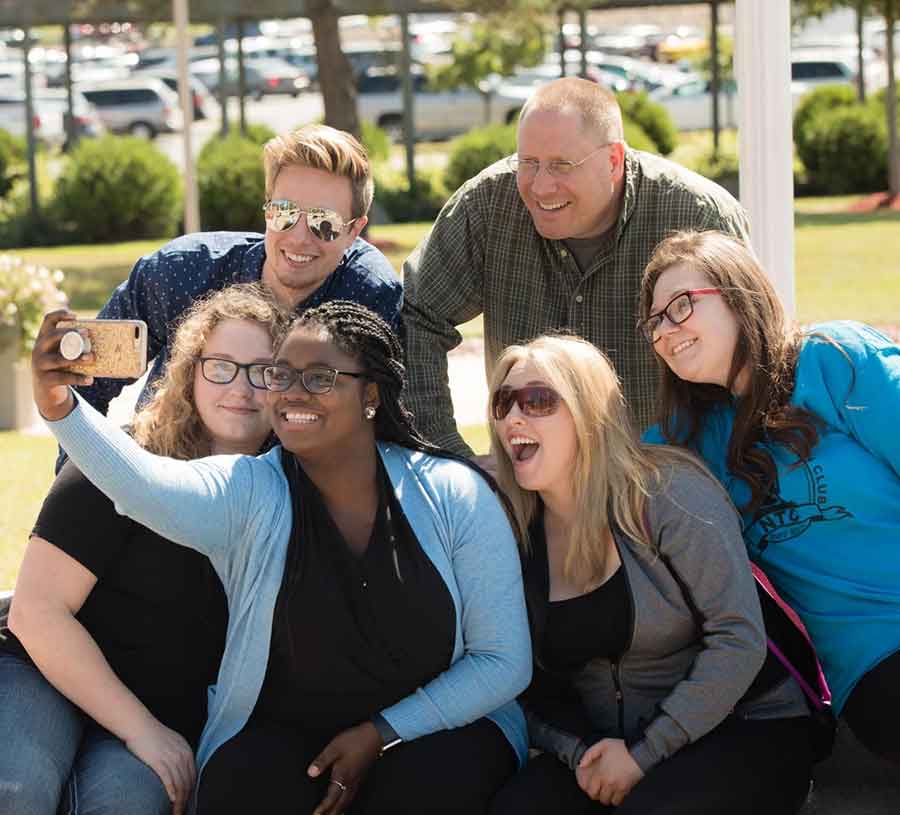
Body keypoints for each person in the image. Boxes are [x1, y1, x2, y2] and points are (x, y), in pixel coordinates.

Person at [31, 300, 532, 815]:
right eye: (282, 375)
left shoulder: (453, 494)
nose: (291, 392)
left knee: (429, 795)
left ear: (370, 395)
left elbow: (503, 661)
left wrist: (381, 732)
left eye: (319, 377)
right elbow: (145, 486)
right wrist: (60, 408)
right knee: (237, 791)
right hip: (291, 734)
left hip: (437, 730)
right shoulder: (252, 489)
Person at [481, 334, 818, 815]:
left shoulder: (668, 494)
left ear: (589, 414)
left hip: (747, 733)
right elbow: (521, 680)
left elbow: (738, 639)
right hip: (608, 750)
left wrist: (644, 754)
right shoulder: (513, 529)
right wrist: (582, 751)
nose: (514, 417)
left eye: (537, 400)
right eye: (503, 402)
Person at [2, 284, 286, 815]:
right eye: (221, 366)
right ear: (190, 373)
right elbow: (37, 613)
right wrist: (140, 730)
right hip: (43, 674)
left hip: (161, 709)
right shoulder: (120, 461)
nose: (241, 388)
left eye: (264, 371)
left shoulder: (288, 497)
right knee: (12, 798)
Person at [639, 229, 900, 766]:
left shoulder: (833, 361)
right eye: (656, 321)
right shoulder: (684, 443)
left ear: (738, 295)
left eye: (681, 305)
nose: (666, 330)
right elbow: (597, 479)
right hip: (873, 667)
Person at [401, 77, 749, 457]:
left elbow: (751, 353)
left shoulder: (697, 215)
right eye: (528, 163)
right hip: (530, 480)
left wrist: (705, 475)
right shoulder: (487, 207)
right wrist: (449, 457)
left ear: (613, 160)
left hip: (670, 477)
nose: (540, 187)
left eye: (561, 165)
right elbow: (415, 316)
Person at [72, 123, 402, 425]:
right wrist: (86, 471)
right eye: (284, 213)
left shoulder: (369, 297)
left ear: (355, 230)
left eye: (324, 223)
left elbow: (386, 423)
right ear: (267, 208)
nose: (299, 237)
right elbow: (85, 380)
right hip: (163, 463)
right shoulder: (181, 271)